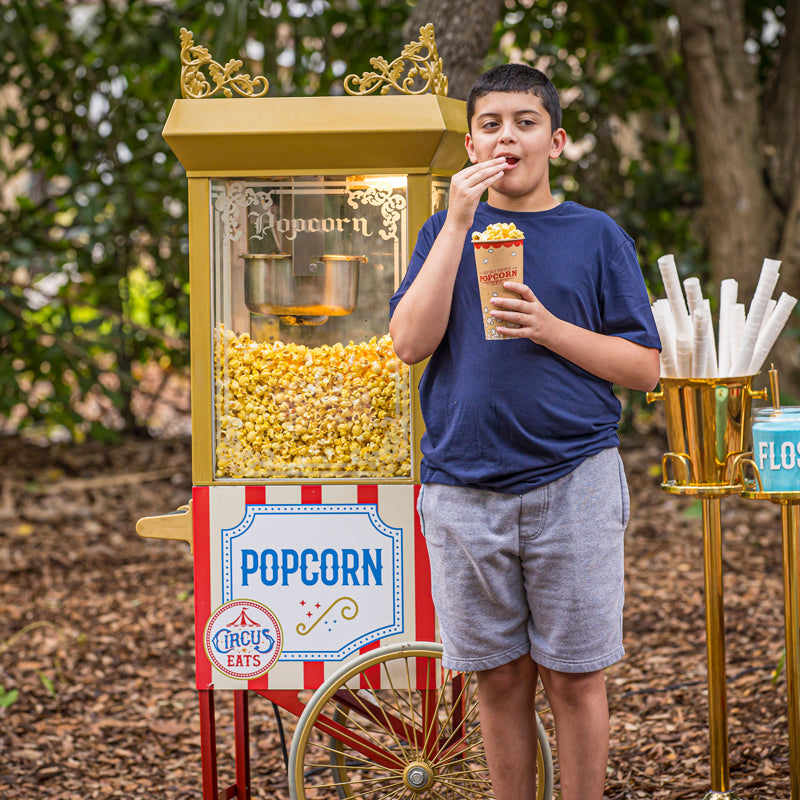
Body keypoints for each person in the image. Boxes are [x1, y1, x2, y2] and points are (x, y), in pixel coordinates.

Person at [389, 63, 661, 800]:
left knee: (575, 679)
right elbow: (410, 343)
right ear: (473, 145)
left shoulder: (595, 237)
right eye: (490, 124)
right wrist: (452, 224)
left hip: (574, 480)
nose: (507, 135)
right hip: (462, 489)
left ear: (557, 140)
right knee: (499, 681)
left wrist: (547, 328)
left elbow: (644, 369)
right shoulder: (441, 231)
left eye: (525, 121)